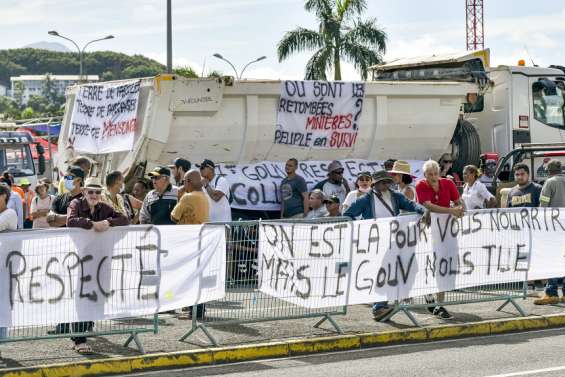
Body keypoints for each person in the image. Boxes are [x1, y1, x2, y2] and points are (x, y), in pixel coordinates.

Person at [344, 170, 426, 320]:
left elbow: (412, 205)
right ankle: (379, 307)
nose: (385, 185)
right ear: (375, 184)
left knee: (398, 270)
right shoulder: (365, 199)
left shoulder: (395, 196)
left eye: (387, 182)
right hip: (375, 243)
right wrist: (361, 227)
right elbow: (348, 214)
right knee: (382, 273)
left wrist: (423, 211)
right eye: (382, 182)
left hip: (394, 240)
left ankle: (388, 303)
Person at [66, 177, 129, 353]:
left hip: (100, 260)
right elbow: (70, 221)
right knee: (82, 298)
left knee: (96, 297)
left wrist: (108, 222)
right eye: (91, 192)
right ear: (84, 191)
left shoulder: (104, 207)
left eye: (98, 192)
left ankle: (82, 334)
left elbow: (124, 220)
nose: (94, 195)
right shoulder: (76, 204)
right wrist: (92, 225)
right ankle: (79, 340)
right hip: (81, 260)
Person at [416, 160, 465, 320]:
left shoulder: (448, 183)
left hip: (445, 232)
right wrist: (452, 210)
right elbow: (429, 206)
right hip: (427, 231)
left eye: (435, 173)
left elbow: (459, 202)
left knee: (443, 264)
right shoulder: (420, 185)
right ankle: (429, 294)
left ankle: (440, 304)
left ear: (439, 173)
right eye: (430, 174)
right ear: (425, 175)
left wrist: (460, 209)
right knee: (427, 263)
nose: (433, 177)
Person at [171, 169, 209, 319]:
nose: (183, 185)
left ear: (189, 182)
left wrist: (180, 197)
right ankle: (198, 309)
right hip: (200, 239)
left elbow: (174, 216)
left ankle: (194, 310)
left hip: (188, 240)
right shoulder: (204, 196)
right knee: (197, 275)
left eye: (184, 182)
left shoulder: (188, 197)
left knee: (189, 275)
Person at [534, 160, 565, 305]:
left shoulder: (550, 182)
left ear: (548, 170)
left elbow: (543, 206)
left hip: (554, 228)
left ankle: (551, 292)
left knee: (552, 259)